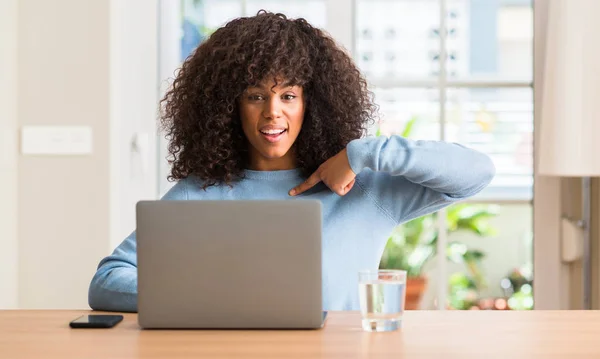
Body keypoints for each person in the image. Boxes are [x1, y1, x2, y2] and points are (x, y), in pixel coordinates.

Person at [88, 11, 495, 312]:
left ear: (311, 104)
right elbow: (107, 281)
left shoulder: (363, 189)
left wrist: (365, 152)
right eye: (255, 95)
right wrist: (211, 294)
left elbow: (476, 174)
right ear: (229, 106)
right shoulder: (201, 192)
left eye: (288, 96)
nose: (272, 113)